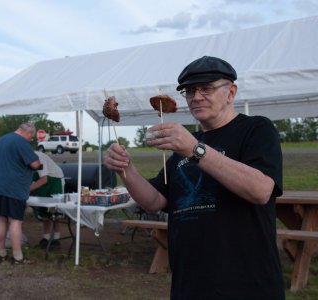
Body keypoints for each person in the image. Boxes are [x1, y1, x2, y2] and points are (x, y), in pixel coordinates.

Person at [104, 56, 284, 299]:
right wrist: (126, 169)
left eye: (206, 88)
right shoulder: (183, 145)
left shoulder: (256, 129)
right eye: (189, 91)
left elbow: (262, 189)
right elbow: (155, 202)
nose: (196, 97)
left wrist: (195, 150)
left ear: (230, 92)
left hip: (247, 285)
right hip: (189, 284)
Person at [0, 123, 41, 265]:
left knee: (1, 219)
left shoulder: (2, 139)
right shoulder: (22, 142)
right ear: (28, 133)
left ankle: (1, 254)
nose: (31, 140)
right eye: (32, 137)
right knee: (15, 220)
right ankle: (18, 257)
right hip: (13, 187)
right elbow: (35, 164)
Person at [30, 151, 65, 249]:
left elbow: (44, 179)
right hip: (42, 181)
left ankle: (56, 238)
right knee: (44, 210)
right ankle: (46, 237)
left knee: (55, 210)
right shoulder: (23, 157)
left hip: (55, 180)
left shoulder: (37, 157)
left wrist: (28, 190)